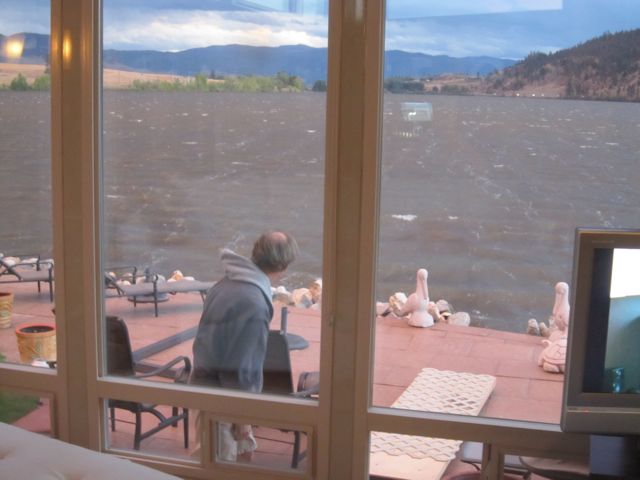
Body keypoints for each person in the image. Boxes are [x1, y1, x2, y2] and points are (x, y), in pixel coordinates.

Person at [190, 230, 298, 462]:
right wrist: (243, 419)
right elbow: (241, 367)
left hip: (204, 389)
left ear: (256, 252)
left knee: (229, 458)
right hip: (224, 403)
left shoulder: (225, 284)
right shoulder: (254, 303)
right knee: (222, 468)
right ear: (283, 265)